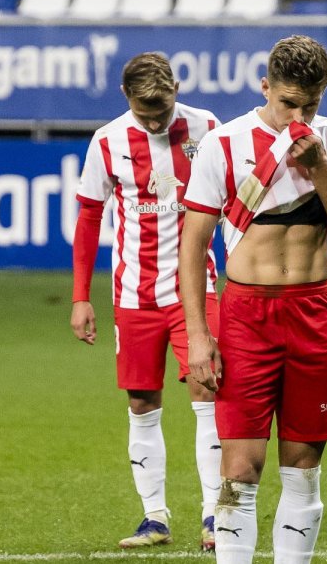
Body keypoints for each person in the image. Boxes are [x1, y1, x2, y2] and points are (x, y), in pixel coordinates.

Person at [179, 34, 327, 564]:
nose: (298, 116)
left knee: (303, 471)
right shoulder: (224, 143)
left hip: (314, 313)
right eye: (288, 103)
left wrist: (320, 168)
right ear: (265, 87)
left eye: (310, 104)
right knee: (239, 471)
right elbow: (192, 248)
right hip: (246, 315)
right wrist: (199, 335)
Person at [70, 52, 223, 550]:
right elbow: (90, 217)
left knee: (208, 391)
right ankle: (154, 517)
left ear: (178, 88)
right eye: (145, 113)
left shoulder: (208, 128)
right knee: (141, 402)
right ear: (126, 98)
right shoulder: (108, 141)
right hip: (134, 294)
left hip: (196, 291)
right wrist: (80, 297)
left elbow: (236, 205)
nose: (156, 121)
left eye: (163, 110)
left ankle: (214, 516)